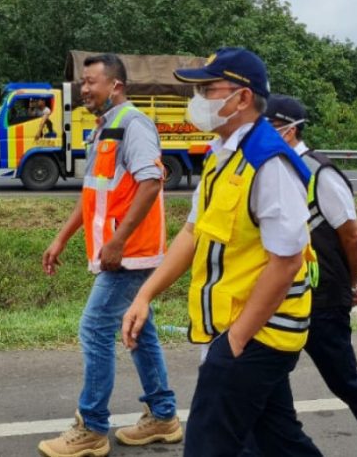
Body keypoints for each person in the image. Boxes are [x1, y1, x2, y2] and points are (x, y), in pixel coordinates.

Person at [121, 47, 322, 457]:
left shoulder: (269, 163)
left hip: (258, 334)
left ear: (242, 98)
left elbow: (287, 263)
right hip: (238, 331)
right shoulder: (220, 157)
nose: (197, 100)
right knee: (278, 442)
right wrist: (145, 294)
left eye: (208, 89)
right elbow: (193, 232)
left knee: (207, 445)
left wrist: (234, 342)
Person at [38, 53, 180, 457]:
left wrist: (118, 242)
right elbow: (94, 196)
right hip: (118, 252)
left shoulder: (134, 124)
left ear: (114, 85)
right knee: (139, 331)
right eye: (83, 83)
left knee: (95, 328)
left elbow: (151, 183)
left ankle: (92, 427)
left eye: (91, 82)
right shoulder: (105, 128)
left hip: (130, 254)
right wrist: (62, 238)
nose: (84, 89)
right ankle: (163, 415)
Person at [264, 94, 357, 457]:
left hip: (323, 299)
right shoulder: (273, 172)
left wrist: (351, 283)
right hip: (283, 295)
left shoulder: (320, 173)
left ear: (290, 131)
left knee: (345, 380)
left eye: (266, 127)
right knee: (265, 381)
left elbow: (352, 235)